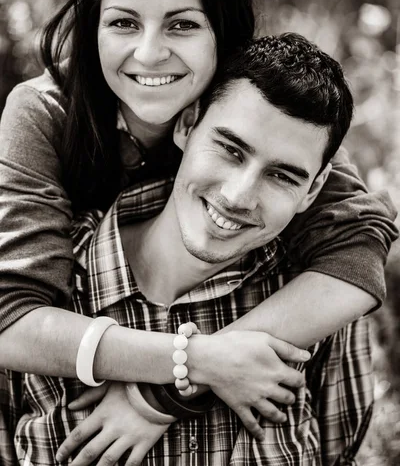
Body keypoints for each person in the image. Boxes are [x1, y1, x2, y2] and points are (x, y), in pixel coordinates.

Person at [0, 0, 396, 461]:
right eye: (123, 22)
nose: (149, 52)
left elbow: (356, 253)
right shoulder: (45, 114)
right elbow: (12, 319)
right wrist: (197, 361)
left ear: (224, 35)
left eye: (182, 24)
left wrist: (160, 396)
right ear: (93, 30)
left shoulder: (257, 111)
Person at [12, 34, 374, 466]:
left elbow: (342, 455)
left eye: (282, 177)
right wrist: (196, 364)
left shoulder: (318, 302)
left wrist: (160, 396)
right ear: (186, 125)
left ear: (313, 190)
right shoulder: (44, 292)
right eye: (230, 149)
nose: (239, 196)